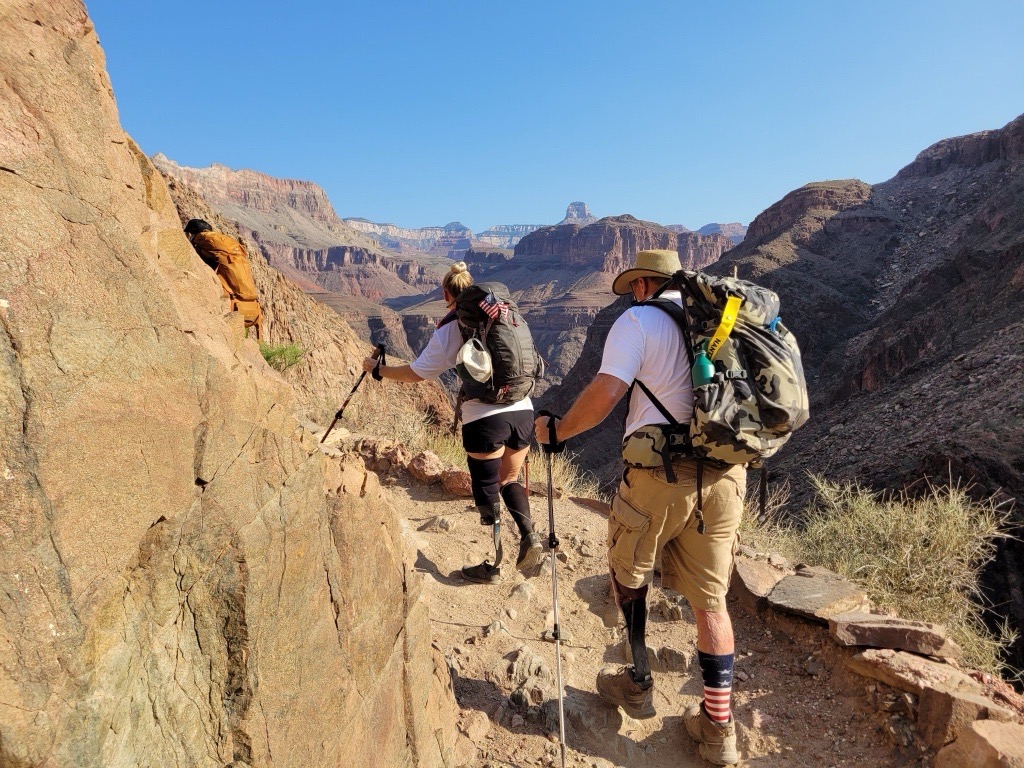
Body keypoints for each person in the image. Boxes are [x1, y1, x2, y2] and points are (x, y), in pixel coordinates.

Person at [535, 249, 745, 766]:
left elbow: (607, 393)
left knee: (628, 573)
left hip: (659, 476)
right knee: (711, 601)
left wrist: (558, 431)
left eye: (635, 286)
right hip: (725, 475)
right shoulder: (722, 320)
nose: (632, 294)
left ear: (647, 284)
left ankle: (637, 681)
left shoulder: (638, 321)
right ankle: (719, 730)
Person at [362, 262, 544, 584]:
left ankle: (495, 565)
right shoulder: (502, 314)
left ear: (447, 293)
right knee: (510, 479)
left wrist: (379, 371)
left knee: (487, 490)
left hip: (484, 419)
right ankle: (529, 536)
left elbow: (417, 373)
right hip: (523, 409)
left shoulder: (451, 326)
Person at [184, 219, 264, 339]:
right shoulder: (225, 242)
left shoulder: (201, 239)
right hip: (251, 303)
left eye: (190, 233)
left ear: (194, 231)